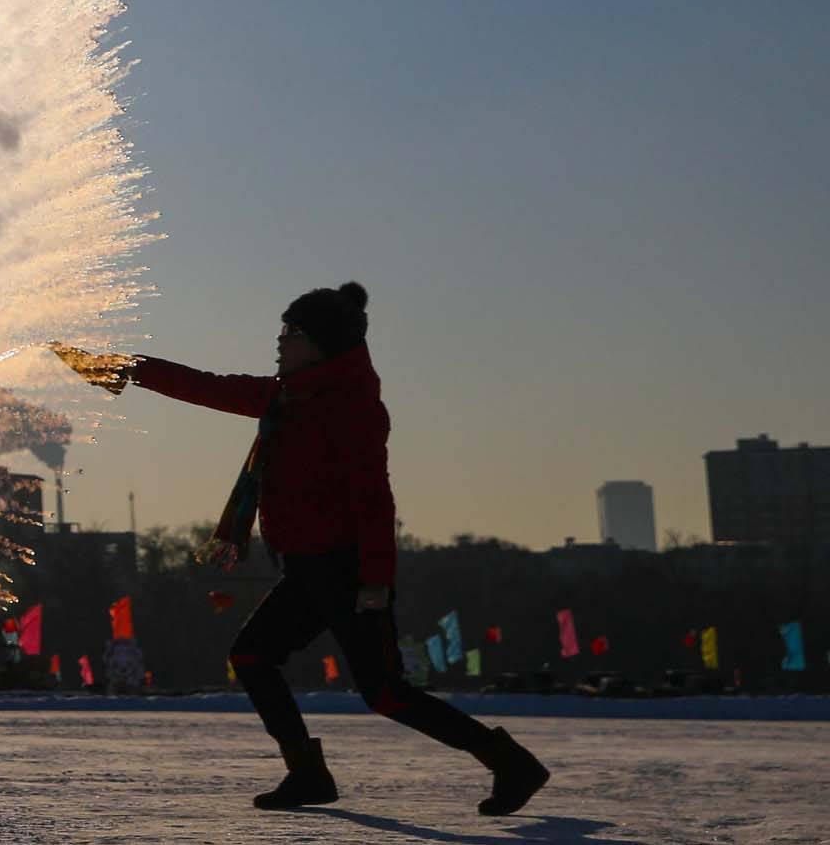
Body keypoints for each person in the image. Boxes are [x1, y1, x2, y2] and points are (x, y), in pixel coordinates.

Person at [56, 283, 550, 816]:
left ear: (320, 343)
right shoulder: (285, 396)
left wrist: (376, 581)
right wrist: (123, 366)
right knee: (254, 657)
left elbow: (374, 500)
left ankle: (509, 762)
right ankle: (308, 773)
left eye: (290, 332)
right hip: (307, 569)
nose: (279, 341)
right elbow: (204, 387)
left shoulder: (351, 408)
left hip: (347, 570)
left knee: (383, 692)